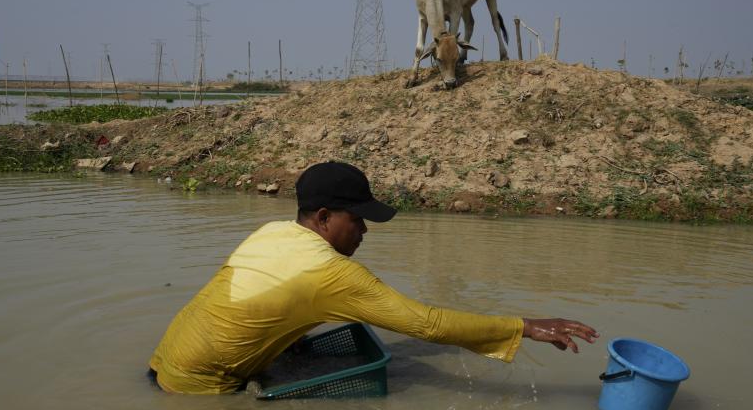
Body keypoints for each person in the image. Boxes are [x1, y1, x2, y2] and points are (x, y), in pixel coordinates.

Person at [149, 161, 598, 394]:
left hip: (163, 363)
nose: (365, 230)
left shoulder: (270, 233)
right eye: (358, 220)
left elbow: (257, 306)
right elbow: (429, 325)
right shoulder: (334, 274)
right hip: (199, 392)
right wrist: (526, 326)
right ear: (324, 218)